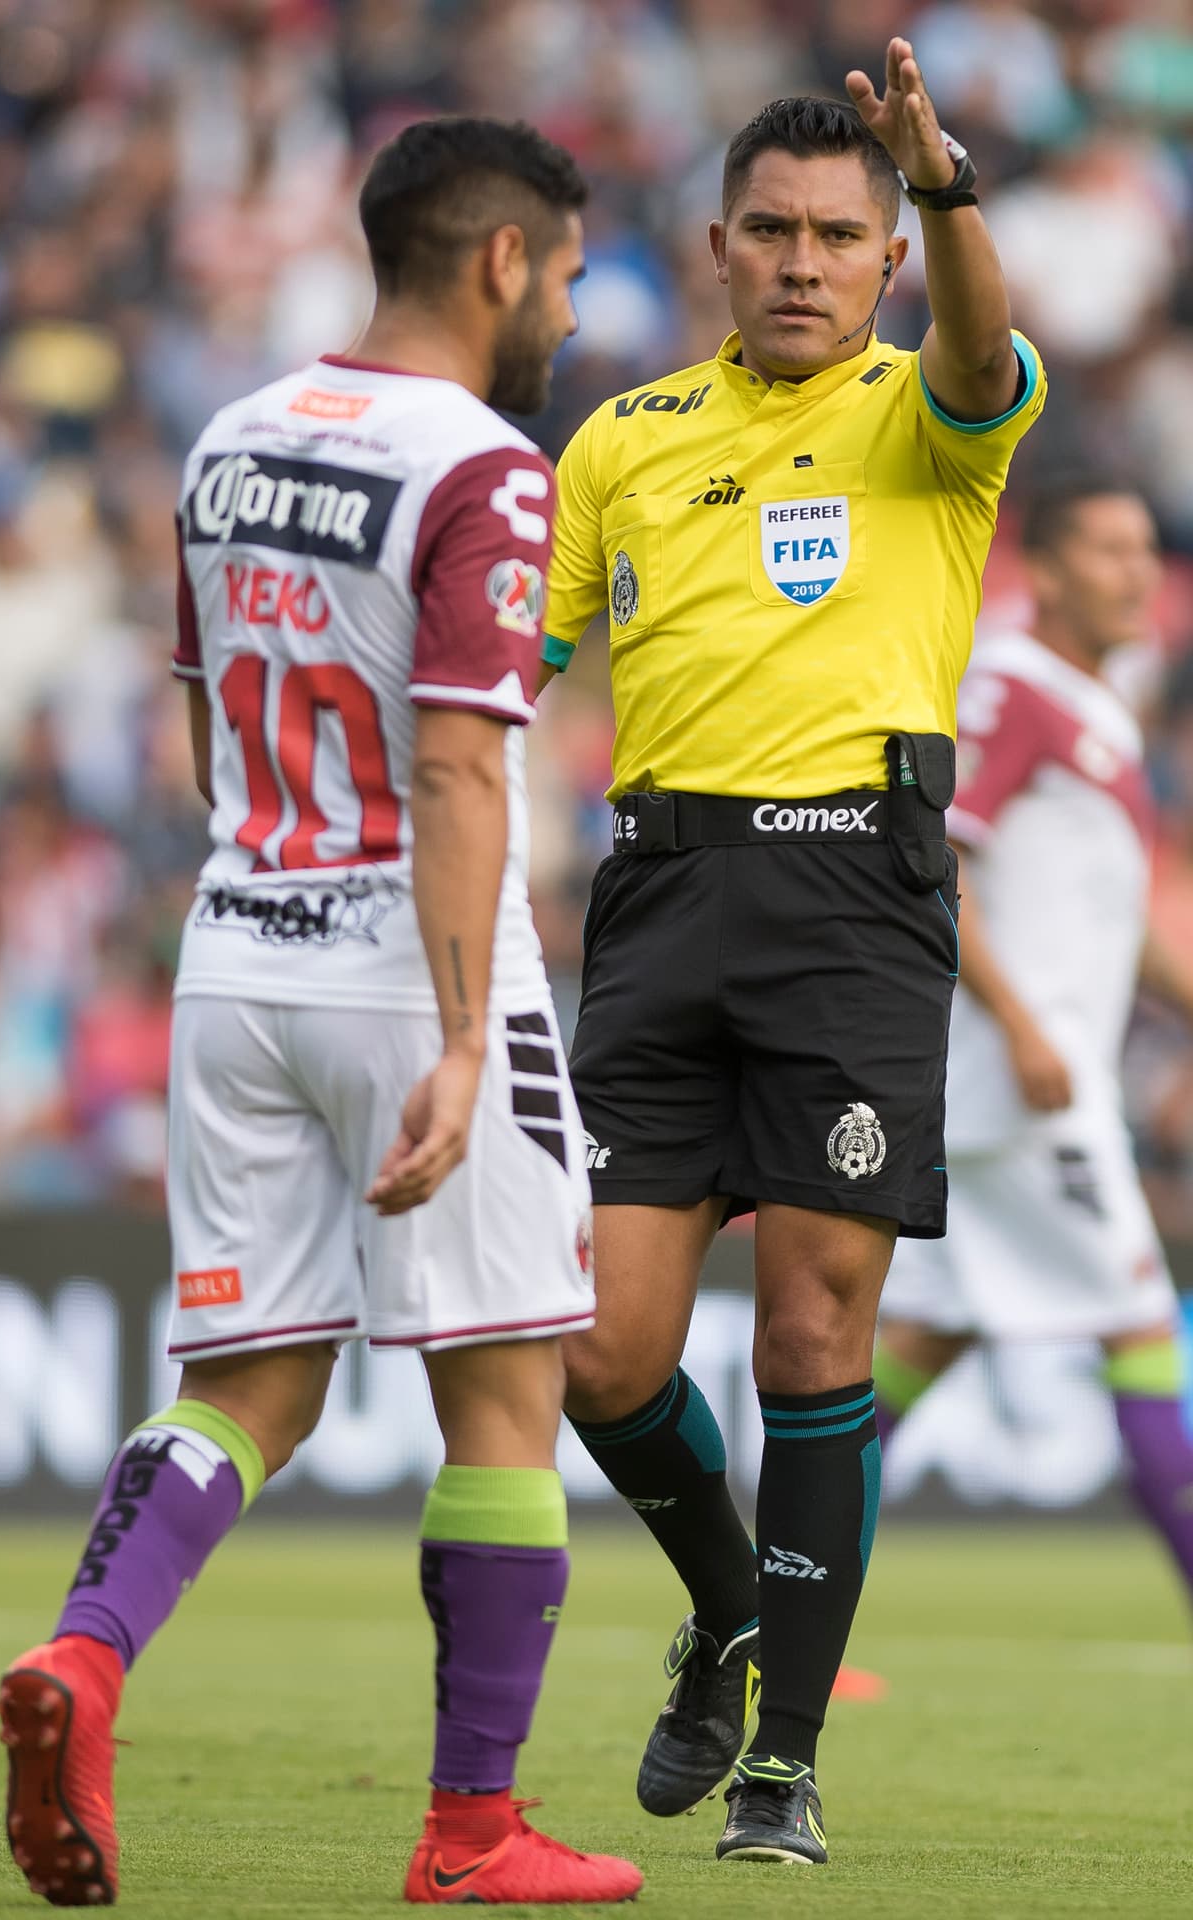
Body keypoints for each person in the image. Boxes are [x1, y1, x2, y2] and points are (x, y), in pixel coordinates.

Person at [0, 115, 643, 1910]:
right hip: (410, 970)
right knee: (506, 1397)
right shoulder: (487, 468)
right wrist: (454, 1031)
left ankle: (90, 1655)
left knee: (248, 1385)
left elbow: (198, 724)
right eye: (571, 275)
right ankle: (473, 1833)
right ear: (502, 260)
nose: (573, 310)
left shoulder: (232, 432)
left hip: (237, 950)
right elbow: (454, 765)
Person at [540, 41, 1045, 1867]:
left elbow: (989, 359)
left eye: (843, 234)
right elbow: (510, 669)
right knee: (597, 1354)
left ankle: (785, 1762)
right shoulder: (620, 440)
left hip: (853, 897)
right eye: (774, 231)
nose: (808, 262)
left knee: (821, 1333)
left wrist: (948, 182)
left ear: (887, 257)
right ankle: (737, 1608)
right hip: (661, 898)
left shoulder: (935, 411)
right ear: (716, 246)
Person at [878, 477, 1193, 1605]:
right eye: (1105, 549)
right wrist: (1014, 1021)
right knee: (1140, 1322)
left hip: (1023, 1080)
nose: (1134, 572)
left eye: (1144, 549)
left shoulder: (1098, 709)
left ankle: (757, 1616)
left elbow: (1107, 924)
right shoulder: (1010, 689)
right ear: (1046, 570)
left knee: (912, 1350)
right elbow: (927, 865)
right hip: (1019, 1085)